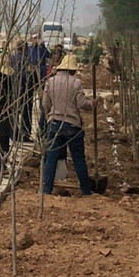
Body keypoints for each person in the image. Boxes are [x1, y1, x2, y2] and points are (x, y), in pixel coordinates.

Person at [41, 54, 94, 197]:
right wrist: (93, 104)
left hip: (54, 123)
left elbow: (45, 104)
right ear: (72, 70)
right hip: (72, 124)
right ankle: (85, 190)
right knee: (78, 158)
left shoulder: (50, 82)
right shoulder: (75, 83)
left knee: (51, 156)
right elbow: (82, 104)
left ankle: (47, 190)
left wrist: (49, 115)